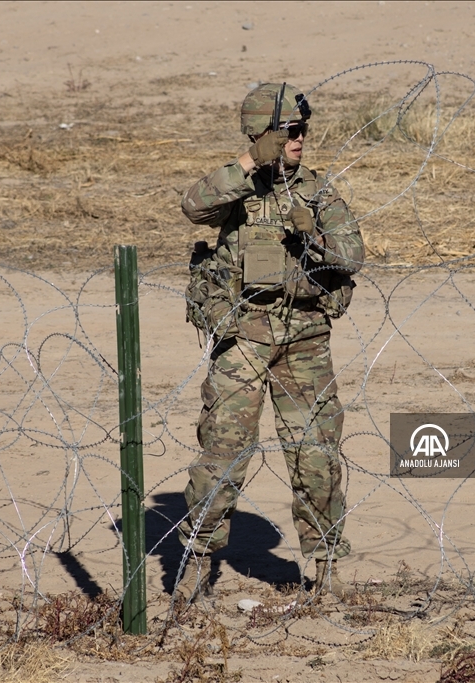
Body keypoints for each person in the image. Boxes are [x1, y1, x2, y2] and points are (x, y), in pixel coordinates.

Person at [174, 82, 364, 612]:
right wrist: (245, 164)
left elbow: (352, 256)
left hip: (304, 337)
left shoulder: (316, 191)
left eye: (303, 130)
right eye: (289, 132)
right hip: (245, 335)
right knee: (225, 454)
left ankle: (326, 570)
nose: (300, 139)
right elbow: (193, 206)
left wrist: (315, 239)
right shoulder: (237, 189)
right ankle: (196, 568)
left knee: (316, 455)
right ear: (264, 135)